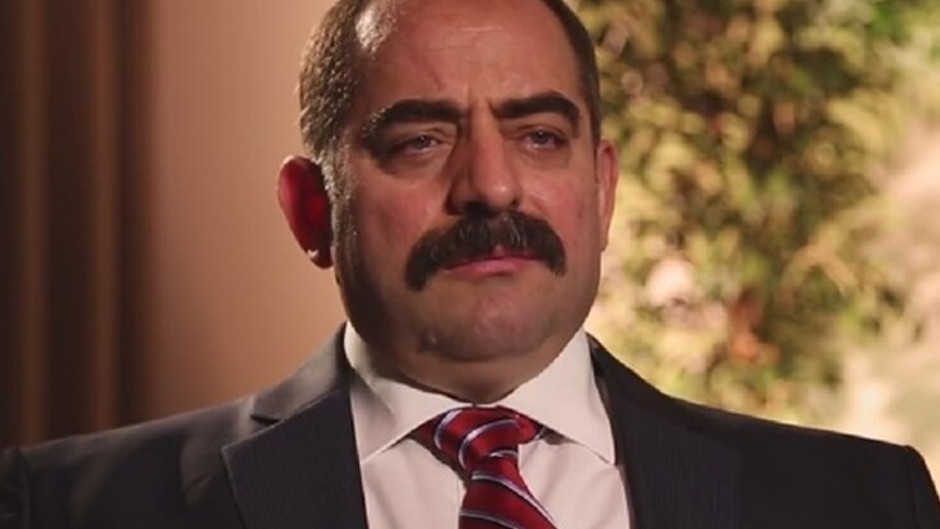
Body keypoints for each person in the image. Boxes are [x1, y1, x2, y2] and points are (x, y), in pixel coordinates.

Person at [2, 0, 938, 527]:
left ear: (602, 190)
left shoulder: (861, 505)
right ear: (311, 210)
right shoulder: (70, 508)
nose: (491, 187)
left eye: (539, 135)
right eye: (420, 141)